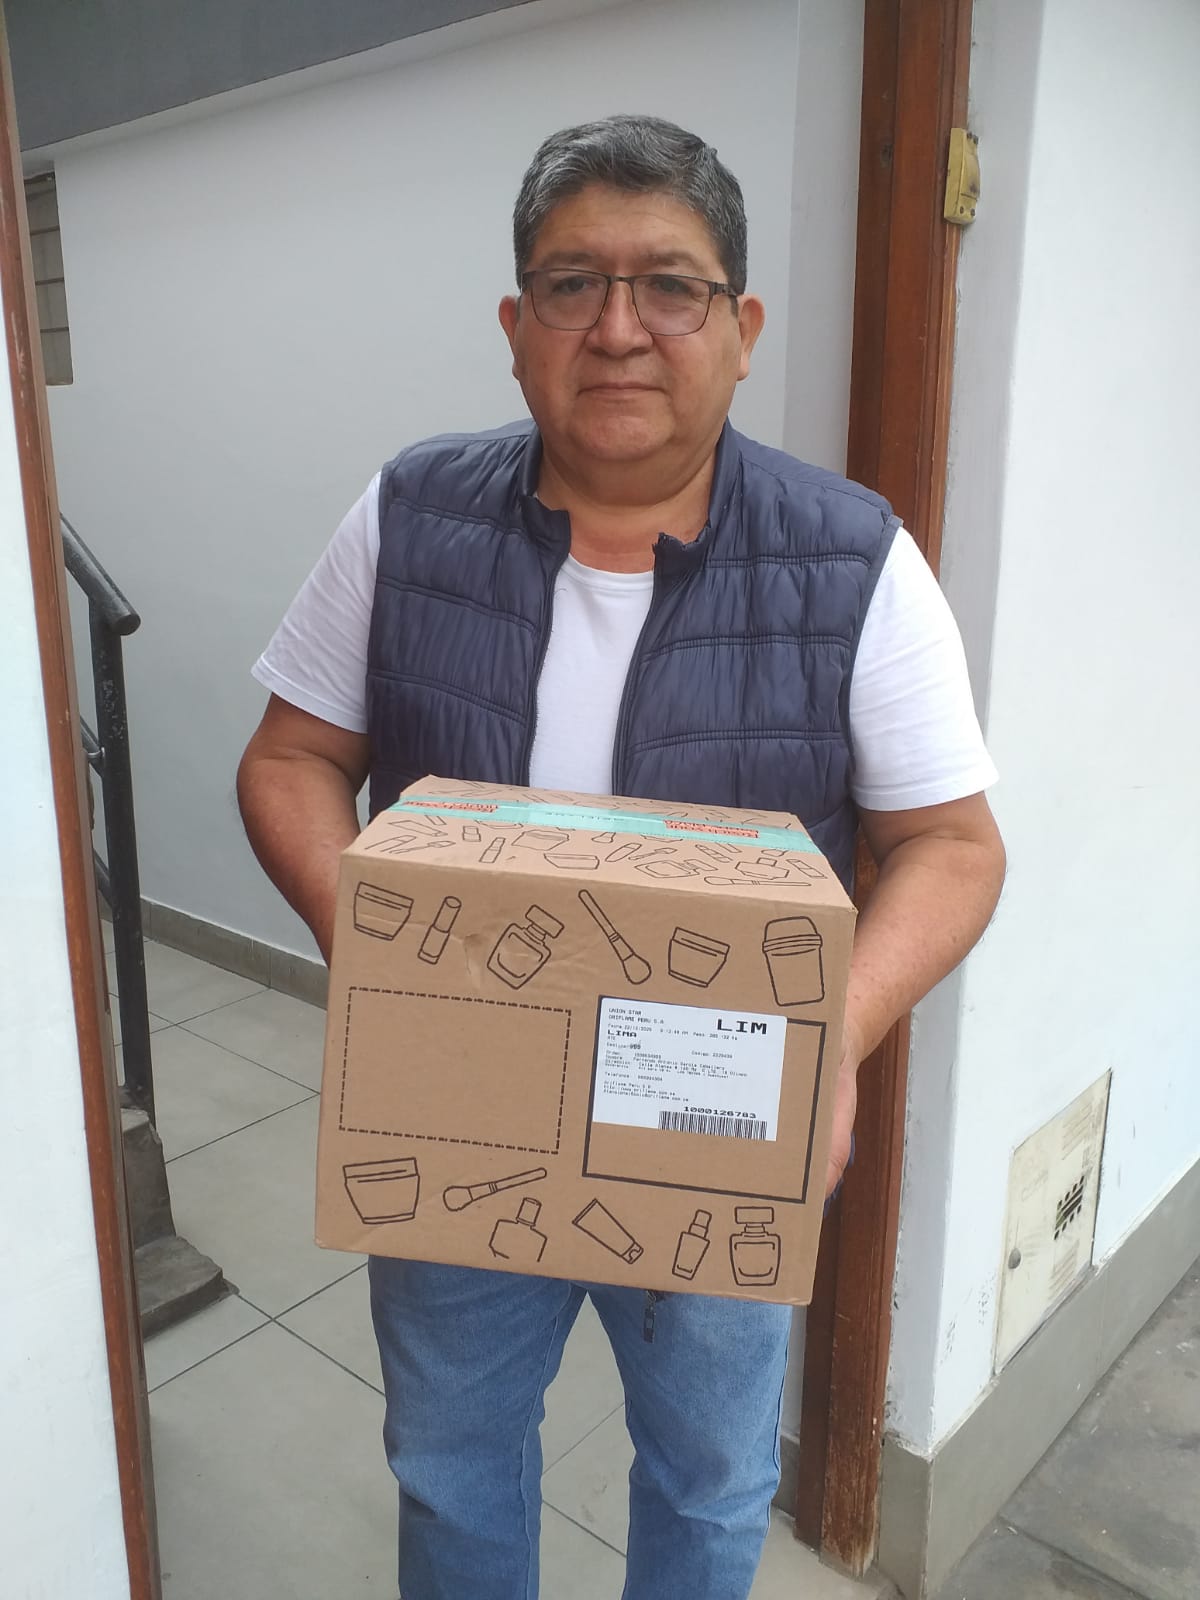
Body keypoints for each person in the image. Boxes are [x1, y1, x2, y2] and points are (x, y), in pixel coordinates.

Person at [238, 114, 1005, 1600]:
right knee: (451, 1466)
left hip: (717, 1112)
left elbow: (954, 849)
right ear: (516, 323)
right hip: (459, 1105)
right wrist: (381, 952)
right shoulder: (406, 515)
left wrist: (826, 1044)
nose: (619, 328)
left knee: (710, 1486)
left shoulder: (854, 561)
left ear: (742, 330)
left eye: (670, 286)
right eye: (573, 283)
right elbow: (289, 761)